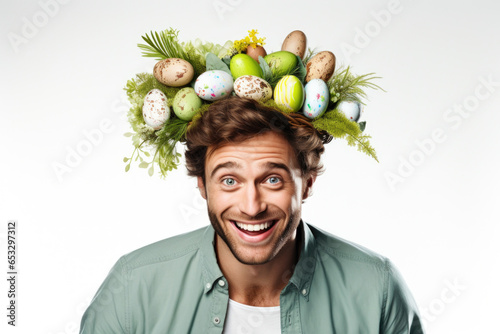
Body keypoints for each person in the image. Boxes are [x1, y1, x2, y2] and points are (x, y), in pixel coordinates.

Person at [80, 97, 424, 333]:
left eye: (272, 179)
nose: (251, 205)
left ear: (306, 183)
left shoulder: (376, 286)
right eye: (229, 180)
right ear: (203, 186)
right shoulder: (133, 286)